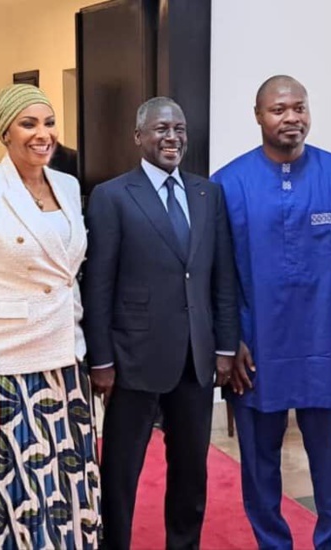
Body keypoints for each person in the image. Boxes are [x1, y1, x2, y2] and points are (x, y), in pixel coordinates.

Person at [211, 75, 331, 549]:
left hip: (328, 345)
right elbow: (218, 274)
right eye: (279, 110)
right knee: (259, 464)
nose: (291, 118)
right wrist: (229, 341)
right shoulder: (228, 184)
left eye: (298, 108)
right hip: (256, 348)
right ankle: (272, 544)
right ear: (258, 116)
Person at [0, 84, 101, 549]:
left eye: (49, 123)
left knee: (64, 487)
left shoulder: (69, 186)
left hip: (64, 360)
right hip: (3, 366)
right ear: (5, 132)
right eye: (29, 124)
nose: (43, 134)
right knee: (9, 493)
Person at [83, 97, 239, 550]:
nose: (173, 137)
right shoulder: (112, 196)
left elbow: (221, 275)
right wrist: (102, 359)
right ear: (138, 137)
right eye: (161, 129)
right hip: (133, 357)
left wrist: (225, 347)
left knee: (192, 469)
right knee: (122, 469)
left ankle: (183, 544)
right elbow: (99, 284)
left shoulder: (208, 194)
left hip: (195, 356)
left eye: (180, 129)